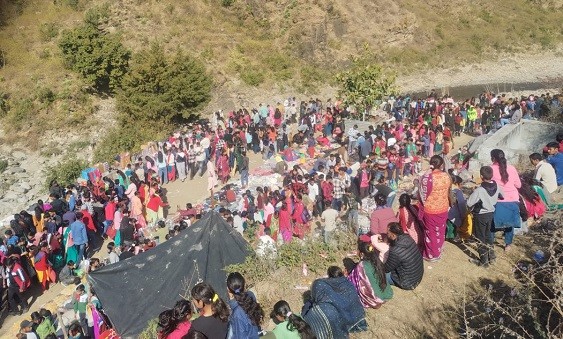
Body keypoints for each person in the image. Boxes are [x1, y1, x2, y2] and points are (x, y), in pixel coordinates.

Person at [301, 266, 367, 339]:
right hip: (355, 316)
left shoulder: (320, 284)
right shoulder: (349, 284)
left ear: (329, 275)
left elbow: (317, 299)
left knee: (309, 306)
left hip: (337, 317)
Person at [466, 166, 503, 267]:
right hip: (491, 214)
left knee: (480, 237)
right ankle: (492, 257)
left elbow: (469, 203)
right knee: (489, 236)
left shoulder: (480, 190)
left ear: (481, 176)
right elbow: (502, 195)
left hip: (481, 215)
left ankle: (484, 261)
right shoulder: (497, 186)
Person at [418, 155, 452, 261]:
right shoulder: (447, 176)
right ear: (441, 165)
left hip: (430, 209)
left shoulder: (427, 178)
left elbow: (421, 194)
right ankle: (438, 248)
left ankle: (432, 255)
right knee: (441, 230)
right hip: (443, 207)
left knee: (430, 232)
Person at [348, 235, 393, 308]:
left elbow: (355, 280)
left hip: (376, 298)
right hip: (386, 293)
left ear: (362, 254)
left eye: (358, 251)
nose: (357, 252)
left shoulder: (361, 266)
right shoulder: (377, 260)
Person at [490, 149, 521, 251]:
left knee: (493, 223)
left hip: (497, 200)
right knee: (509, 224)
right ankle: (508, 245)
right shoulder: (512, 168)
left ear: (493, 158)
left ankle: (490, 243)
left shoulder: (490, 169)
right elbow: (518, 185)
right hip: (513, 199)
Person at [384, 222, 424, 290]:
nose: (387, 235)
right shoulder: (408, 238)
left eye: (388, 233)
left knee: (378, 274)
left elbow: (386, 269)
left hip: (408, 283)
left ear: (393, 235)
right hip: (417, 275)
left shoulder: (395, 251)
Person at [226, 272, 264, 339]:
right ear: (244, 285)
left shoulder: (237, 313)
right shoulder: (250, 295)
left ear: (228, 289)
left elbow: (240, 336)